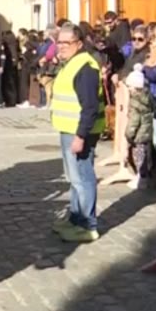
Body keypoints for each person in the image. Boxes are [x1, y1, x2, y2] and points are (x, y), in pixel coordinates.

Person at [50, 24, 106, 243]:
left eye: (67, 43)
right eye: (59, 42)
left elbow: (90, 106)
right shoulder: (72, 63)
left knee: (83, 178)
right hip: (69, 128)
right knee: (74, 178)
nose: (61, 47)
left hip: (80, 132)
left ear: (79, 44)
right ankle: (75, 218)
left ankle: (87, 225)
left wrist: (80, 136)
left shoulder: (85, 67)